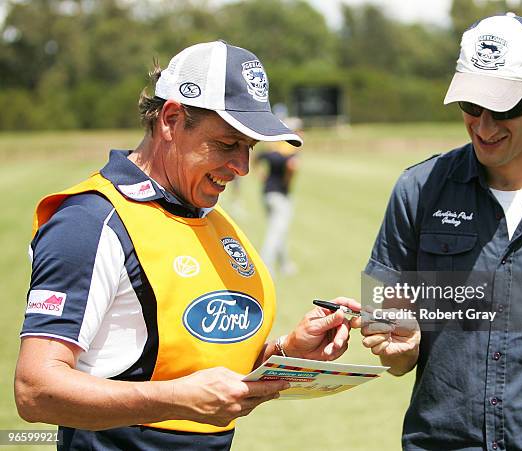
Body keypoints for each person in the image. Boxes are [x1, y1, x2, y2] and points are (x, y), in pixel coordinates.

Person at [14, 41, 359, 451]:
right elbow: (35, 389)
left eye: (249, 148)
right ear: (172, 120)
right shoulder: (90, 222)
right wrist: (176, 400)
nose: (242, 167)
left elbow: (199, 370)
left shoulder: (213, 220)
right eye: (228, 143)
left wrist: (287, 352)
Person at [360, 13, 522, 450]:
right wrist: (395, 348)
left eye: (505, 108)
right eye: (471, 106)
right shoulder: (416, 190)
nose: (485, 126)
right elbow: (389, 331)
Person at [256, 117, 302, 276]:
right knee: (275, 233)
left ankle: (284, 265)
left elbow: (257, 158)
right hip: (281, 195)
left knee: (278, 230)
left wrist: (260, 174)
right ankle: (266, 267)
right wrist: (286, 182)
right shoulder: (291, 150)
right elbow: (292, 166)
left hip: (267, 194)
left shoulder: (273, 148)